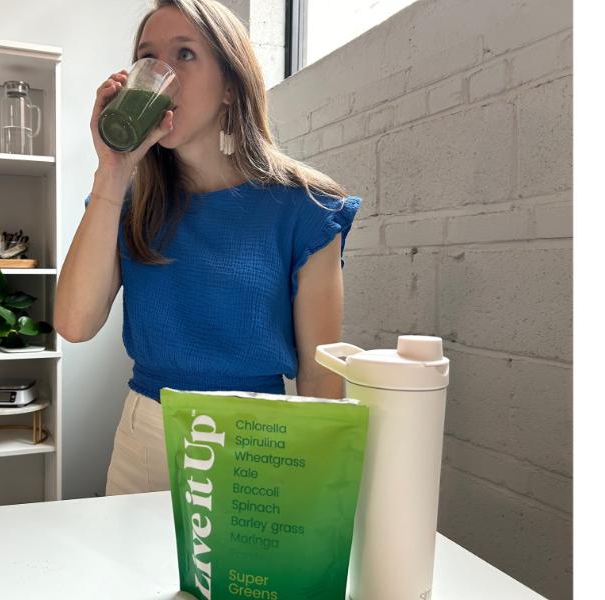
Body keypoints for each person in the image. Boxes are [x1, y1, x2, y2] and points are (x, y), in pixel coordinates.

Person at [54, 0, 361, 497]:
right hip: (147, 439)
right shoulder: (126, 200)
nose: (162, 74)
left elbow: (320, 376)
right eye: (147, 57)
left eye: (185, 55)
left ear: (230, 87)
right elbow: (74, 323)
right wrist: (113, 169)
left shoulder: (306, 206)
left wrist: (319, 494)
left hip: (261, 442)